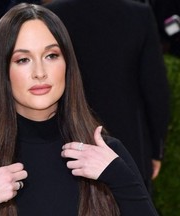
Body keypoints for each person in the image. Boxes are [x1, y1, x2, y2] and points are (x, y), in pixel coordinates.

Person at [0, 3, 159, 216]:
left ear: (67, 65)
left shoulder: (107, 155)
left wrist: (119, 177)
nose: (40, 72)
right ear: (3, 72)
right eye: (23, 60)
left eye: (51, 56)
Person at [45, 0, 170, 194]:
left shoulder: (50, 16)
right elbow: (155, 89)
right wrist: (155, 150)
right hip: (129, 152)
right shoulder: (138, 14)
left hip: (66, 148)